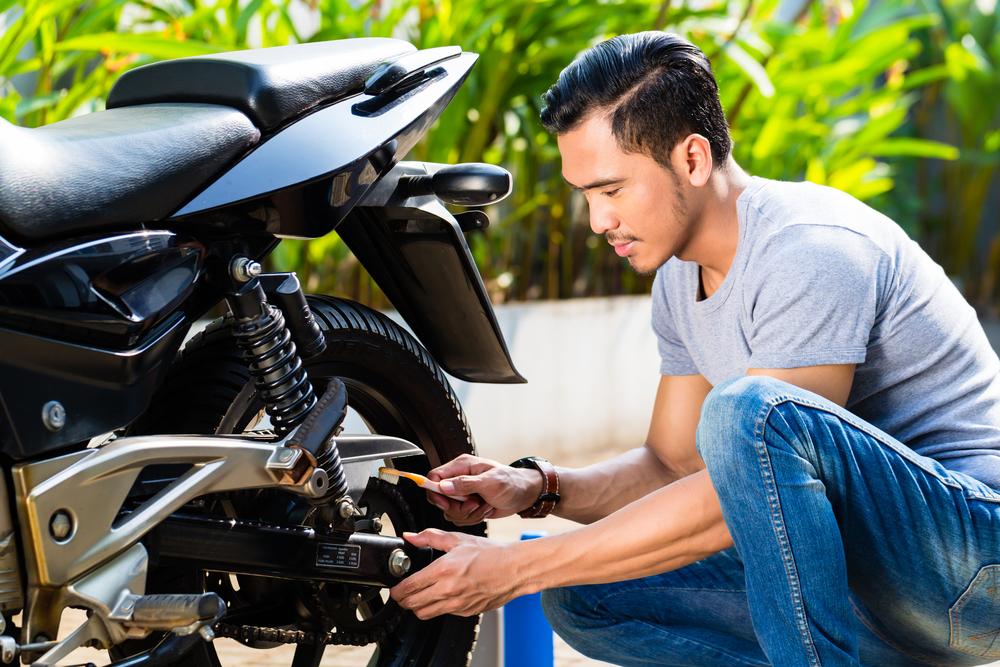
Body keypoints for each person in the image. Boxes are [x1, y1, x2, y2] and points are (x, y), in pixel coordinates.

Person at [389, 31, 1000, 667]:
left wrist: (516, 566)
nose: (598, 221)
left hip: (973, 565)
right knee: (585, 596)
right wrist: (539, 487)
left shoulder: (811, 248)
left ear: (693, 159)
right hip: (871, 587)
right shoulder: (680, 278)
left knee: (751, 412)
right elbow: (672, 467)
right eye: (587, 197)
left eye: (612, 190)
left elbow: (734, 486)